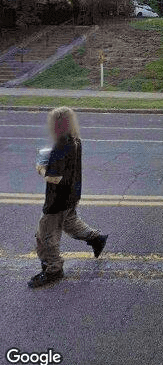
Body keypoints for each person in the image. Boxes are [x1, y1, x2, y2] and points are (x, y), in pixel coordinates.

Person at [28, 107, 108, 288]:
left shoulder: (60, 146)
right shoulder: (76, 141)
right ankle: (96, 238)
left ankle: (53, 269)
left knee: (45, 235)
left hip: (57, 200)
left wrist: (40, 167)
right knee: (69, 220)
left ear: (55, 125)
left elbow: (54, 178)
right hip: (72, 194)